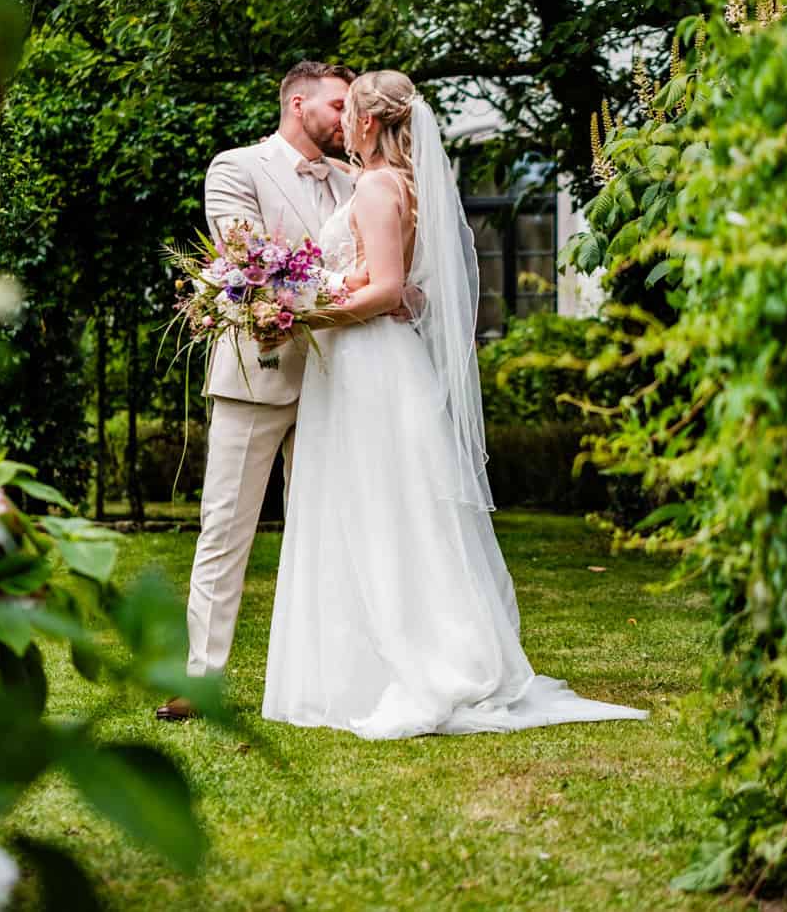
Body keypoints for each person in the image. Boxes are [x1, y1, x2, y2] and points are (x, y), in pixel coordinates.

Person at [261, 70, 649, 738]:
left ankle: (424, 661)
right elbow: (380, 278)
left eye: (351, 112)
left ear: (371, 124)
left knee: (386, 514)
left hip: (372, 366)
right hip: (364, 364)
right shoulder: (394, 185)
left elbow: (385, 289)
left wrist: (306, 315)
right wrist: (326, 291)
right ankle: (356, 664)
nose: (346, 125)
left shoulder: (380, 186)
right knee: (372, 510)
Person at [155, 61, 357, 721]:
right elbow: (248, 261)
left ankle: (324, 678)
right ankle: (201, 678)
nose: (345, 117)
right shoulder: (237, 168)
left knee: (329, 530)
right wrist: (349, 290)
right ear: (298, 103)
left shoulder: (356, 180)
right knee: (225, 527)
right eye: (335, 105)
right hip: (257, 375)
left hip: (343, 379)